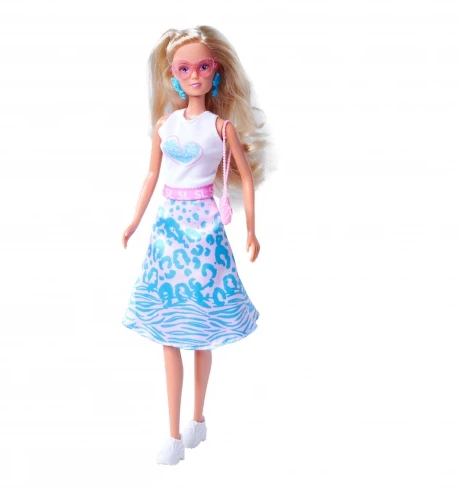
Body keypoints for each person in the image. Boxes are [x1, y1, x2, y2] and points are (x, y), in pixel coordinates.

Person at [121, 25, 270, 465]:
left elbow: (245, 178)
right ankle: (172, 435)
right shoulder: (165, 125)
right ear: (173, 75)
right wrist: (134, 220)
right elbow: (152, 175)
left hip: (204, 230)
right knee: (169, 331)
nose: (194, 76)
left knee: (201, 330)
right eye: (184, 69)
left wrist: (251, 229)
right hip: (168, 230)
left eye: (202, 67)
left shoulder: (221, 127)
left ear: (215, 71)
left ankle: (197, 421)